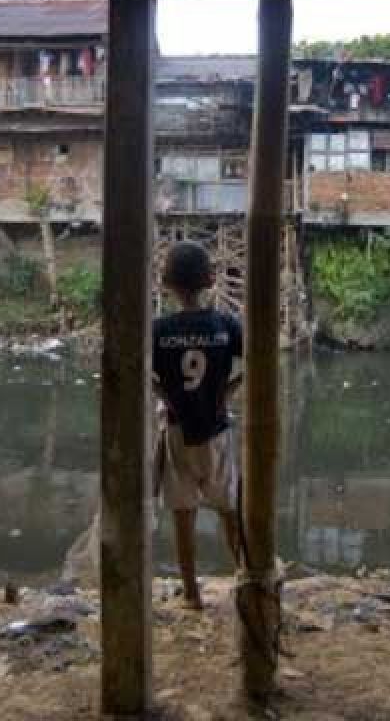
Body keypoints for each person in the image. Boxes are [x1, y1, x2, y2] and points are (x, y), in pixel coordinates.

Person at [152, 241, 243, 610]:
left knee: (183, 513)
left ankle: (191, 593)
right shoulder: (225, 325)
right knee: (229, 509)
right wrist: (227, 392)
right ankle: (246, 575)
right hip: (217, 431)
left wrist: (166, 395)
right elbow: (253, 363)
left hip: (177, 431)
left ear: (168, 284)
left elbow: (145, 373)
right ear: (209, 280)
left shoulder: (158, 330)